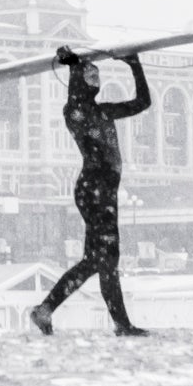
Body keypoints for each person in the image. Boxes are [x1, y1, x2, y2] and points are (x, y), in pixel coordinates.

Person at [30, 45, 152, 337]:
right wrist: (73, 63)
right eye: (90, 74)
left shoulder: (104, 111)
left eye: (98, 74)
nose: (96, 78)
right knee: (106, 260)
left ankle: (45, 309)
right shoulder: (74, 111)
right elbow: (76, 98)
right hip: (94, 189)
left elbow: (143, 102)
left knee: (96, 262)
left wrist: (134, 64)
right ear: (79, 80)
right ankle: (121, 324)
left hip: (101, 192)